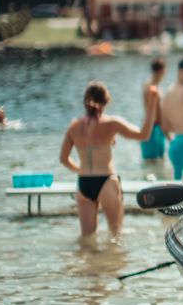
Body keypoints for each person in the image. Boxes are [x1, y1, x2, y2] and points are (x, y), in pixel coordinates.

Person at [59, 80, 156, 236]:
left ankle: (87, 261)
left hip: (83, 184)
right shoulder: (111, 123)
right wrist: (153, 105)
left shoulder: (74, 126)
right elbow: (144, 135)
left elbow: (63, 159)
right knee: (116, 235)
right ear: (105, 102)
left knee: (87, 239)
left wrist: (79, 169)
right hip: (106, 182)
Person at [139, 58, 167, 163]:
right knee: (156, 162)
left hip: (147, 126)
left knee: (150, 163)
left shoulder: (147, 84)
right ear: (162, 71)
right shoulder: (153, 88)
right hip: (154, 128)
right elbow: (159, 113)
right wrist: (167, 132)